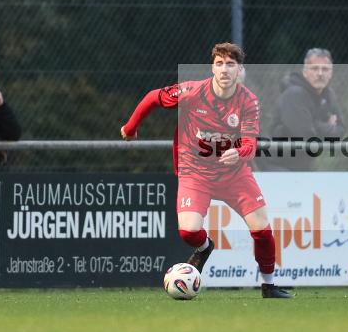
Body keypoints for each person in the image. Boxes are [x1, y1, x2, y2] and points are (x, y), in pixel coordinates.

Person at [121, 42, 291, 298]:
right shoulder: (191, 92)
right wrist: (132, 126)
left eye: (231, 64)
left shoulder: (248, 101)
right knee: (188, 230)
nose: (224, 69)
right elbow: (153, 97)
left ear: (240, 70)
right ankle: (204, 247)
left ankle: (269, 285)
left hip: (234, 174)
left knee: (262, 230)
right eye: (219, 63)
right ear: (212, 68)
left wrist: (240, 153)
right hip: (195, 173)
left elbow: (250, 143)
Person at [267, 48, 345, 170]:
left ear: (331, 73)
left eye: (325, 69)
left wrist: (312, 124)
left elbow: (340, 131)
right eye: (314, 68)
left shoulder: (329, 95)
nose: (320, 73)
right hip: (278, 166)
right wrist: (327, 126)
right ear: (305, 71)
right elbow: (305, 137)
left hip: (303, 167)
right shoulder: (294, 94)